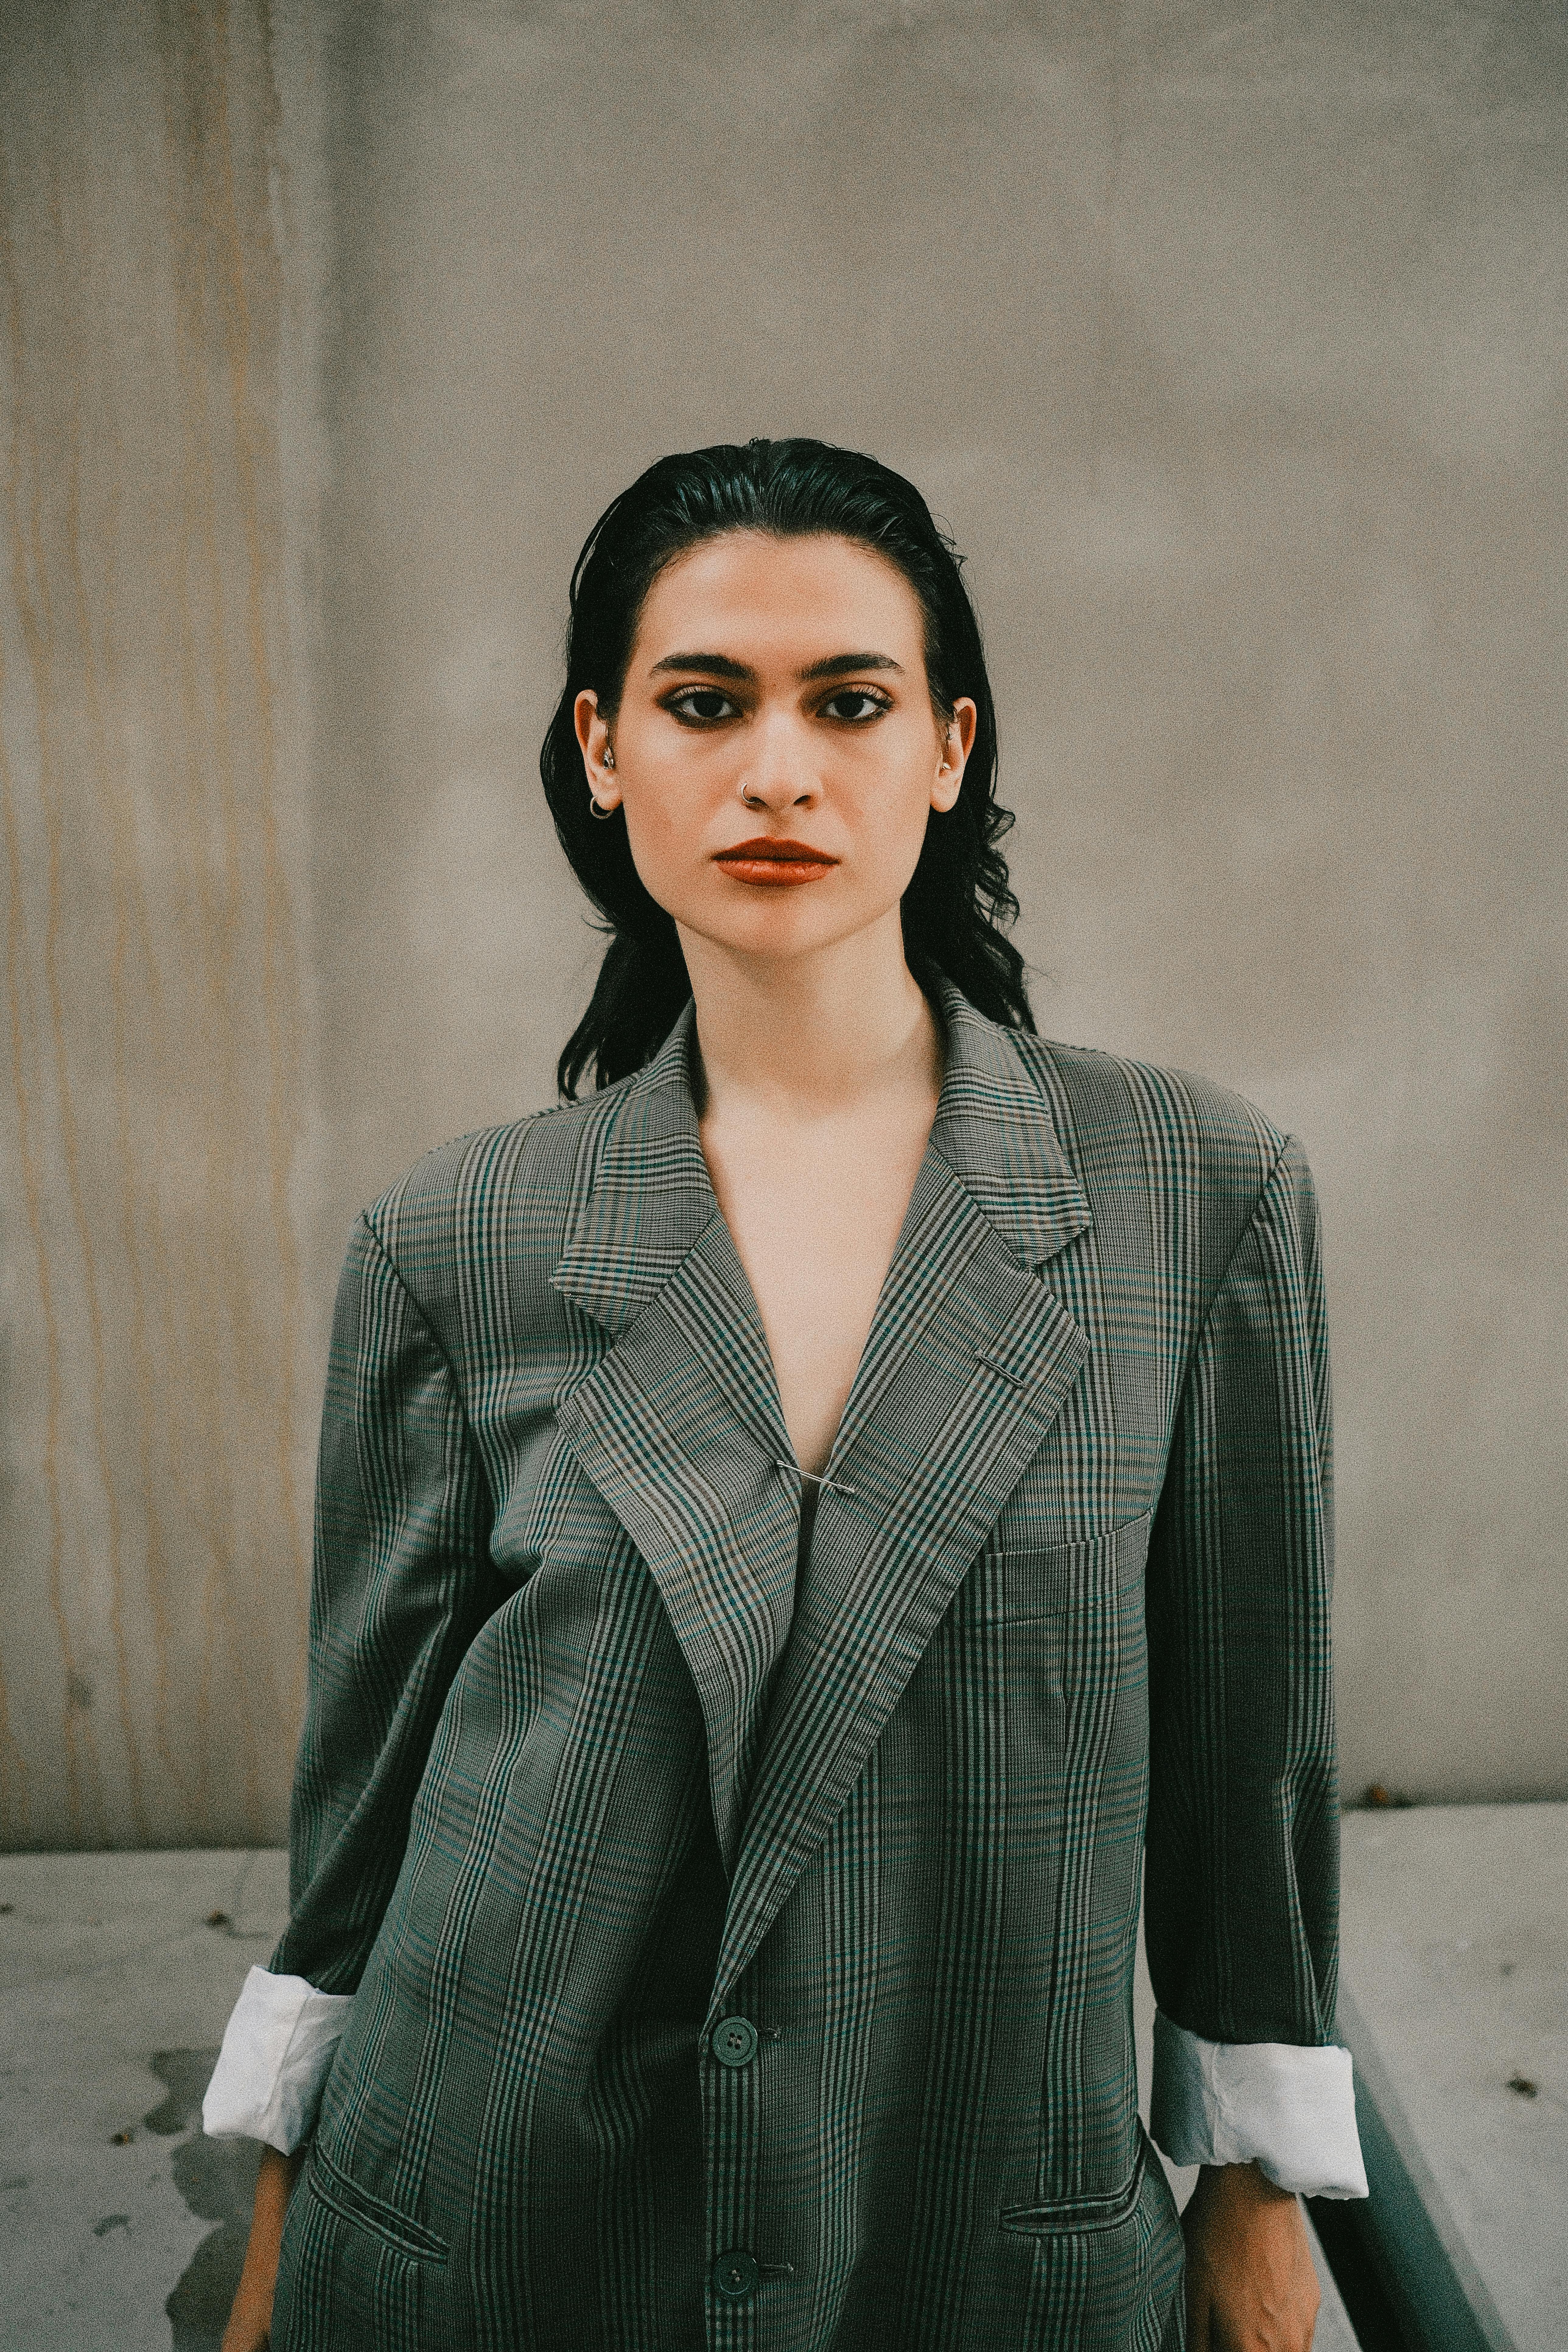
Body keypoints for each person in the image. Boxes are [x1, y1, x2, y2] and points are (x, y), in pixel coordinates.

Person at [207, 438, 1366, 2351]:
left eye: (849, 701)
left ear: (950, 747)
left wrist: (1258, 2197)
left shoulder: (1197, 1195)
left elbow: (1252, 1758)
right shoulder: (455, 1237)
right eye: (702, 702)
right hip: (498, 2221)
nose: (776, 770)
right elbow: (372, 1792)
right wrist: (282, 2204)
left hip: (975, 2214)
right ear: (602, 749)